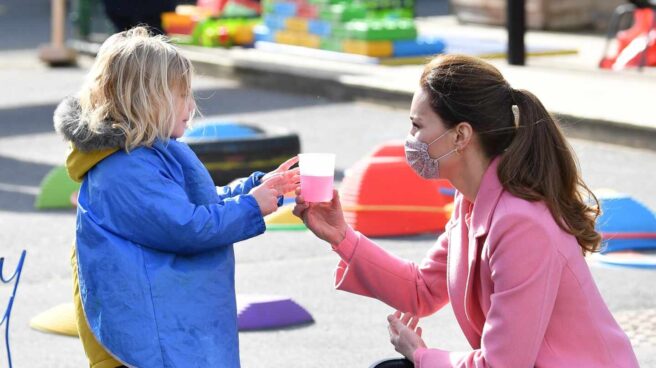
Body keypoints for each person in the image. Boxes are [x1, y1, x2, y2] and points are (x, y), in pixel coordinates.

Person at [293, 54, 639, 367]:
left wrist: (422, 356)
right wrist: (341, 236)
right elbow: (422, 289)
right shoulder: (473, 201)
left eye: (417, 125)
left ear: (460, 136)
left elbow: (501, 365)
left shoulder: (520, 223)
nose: (410, 139)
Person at [53, 26, 299, 368]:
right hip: (141, 332)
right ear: (145, 99)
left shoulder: (143, 154)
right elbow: (186, 225)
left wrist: (254, 189)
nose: (192, 105)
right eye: (181, 95)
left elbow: (194, 204)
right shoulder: (125, 169)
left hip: (151, 319)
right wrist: (250, 207)